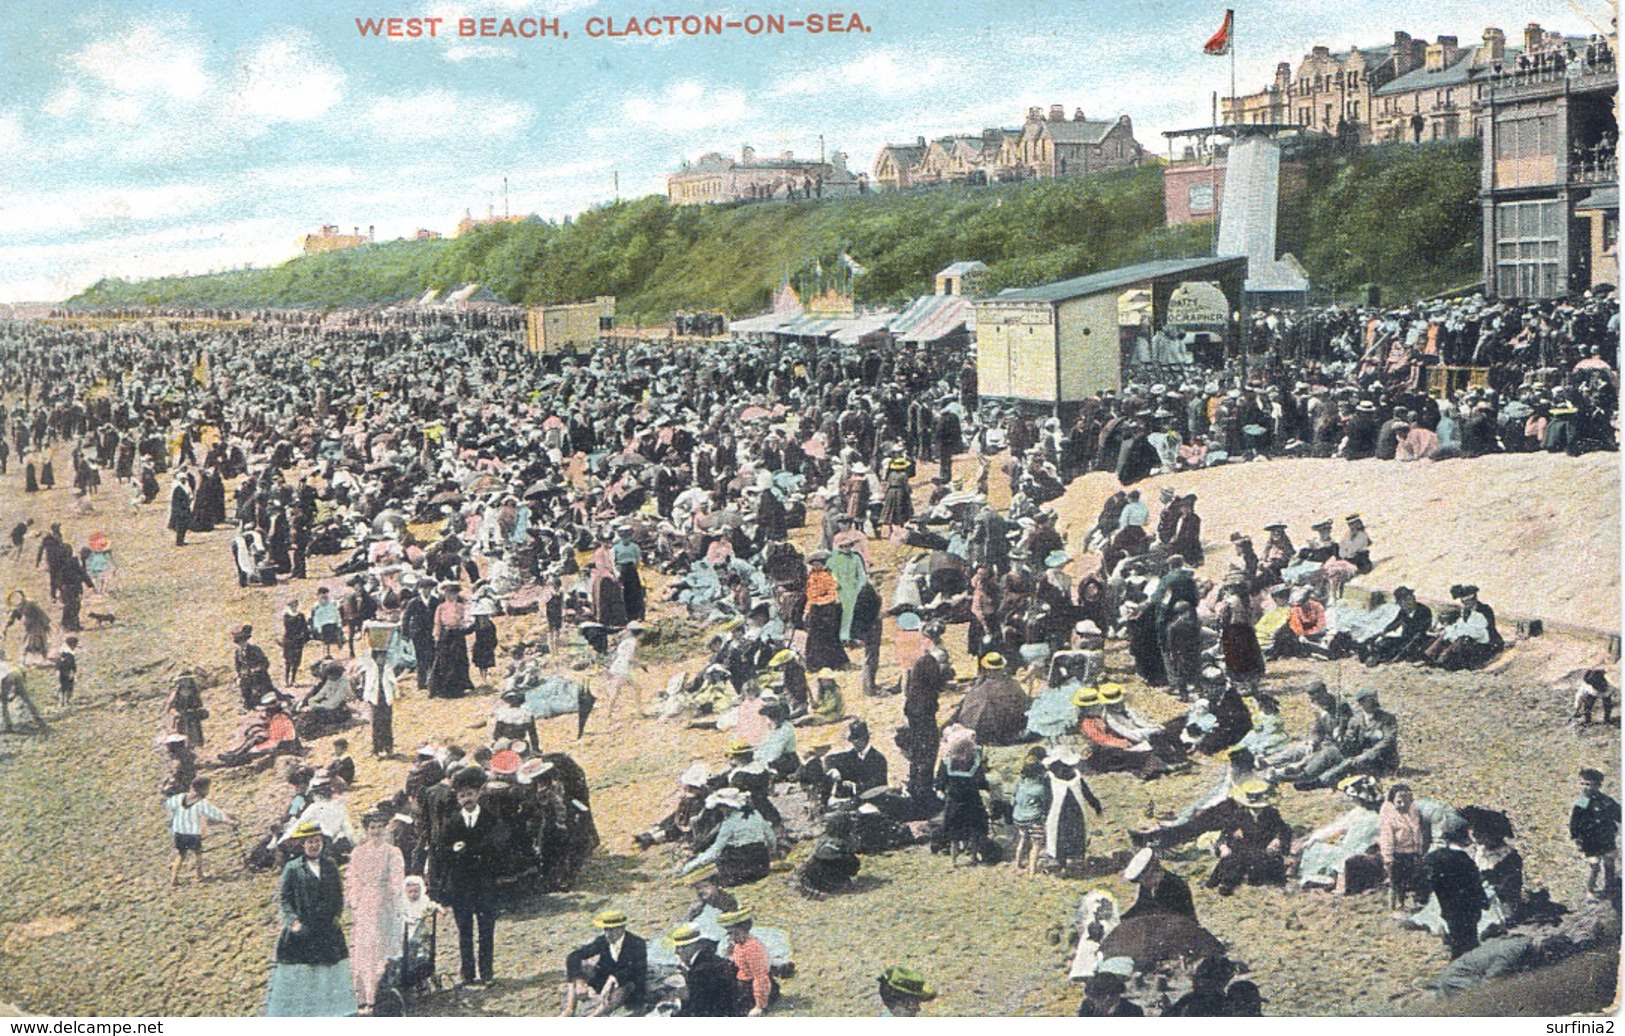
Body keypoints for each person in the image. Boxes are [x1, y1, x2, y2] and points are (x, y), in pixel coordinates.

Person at [265, 820, 358, 1016]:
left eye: (317, 841)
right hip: (303, 928)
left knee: (328, 969)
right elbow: (284, 899)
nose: (314, 845)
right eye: (309, 842)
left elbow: (338, 895)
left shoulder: (330, 866)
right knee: (304, 970)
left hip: (326, 927)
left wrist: (336, 916)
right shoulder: (292, 868)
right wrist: (293, 921)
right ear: (302, 845)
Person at [435, 766, 501, 987]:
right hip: (460, 886)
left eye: (470, 794)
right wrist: (455, 851)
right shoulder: (451, 823)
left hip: (484, 884)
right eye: (462, 795)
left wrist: (466, 849)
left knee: (486, 930)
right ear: (457, 798)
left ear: (478, 794)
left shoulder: (490, 818)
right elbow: (442, 852)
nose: (467, 799)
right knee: (464, 931)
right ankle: (468, 974)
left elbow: (497, 846)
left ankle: (487, 972)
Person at [344, 809, 405, 1015]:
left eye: (380, 827)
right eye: (372, 827)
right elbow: (352, 878)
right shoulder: (359, 852)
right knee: (363, 948)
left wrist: (390, 896)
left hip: (384, 904)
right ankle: (362, 997)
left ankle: (378, 995)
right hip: (364, 905)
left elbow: (397, 879)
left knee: (380, 948)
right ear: (367, 830)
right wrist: (355, 899)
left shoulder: (392, 852)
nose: (376, 831)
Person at [1207, 780, 1291, 895]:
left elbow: (1284, 830)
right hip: (1241, 850)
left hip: (1264, 849)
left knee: (1270, 865)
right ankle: (1227, 884)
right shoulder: (1238, 814)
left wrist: (1278, 840)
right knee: (1231, 863)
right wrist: (1223, 847)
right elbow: (1225, 834)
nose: (1256, 810)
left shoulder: (1271, 813)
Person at [562, 909, 649, 1016]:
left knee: (627, 986)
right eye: (606, 929)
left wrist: (614, 978)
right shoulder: (603, 941)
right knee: (578, 970)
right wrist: (580, 982)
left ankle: (594, 1016)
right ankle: (569, 1009)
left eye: (612, 930)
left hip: (628, 987)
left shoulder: (637, 943)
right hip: (603, 983)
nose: (608, 934)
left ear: (622, 928)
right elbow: (574, 956)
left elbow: (636, 969)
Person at [1424, 819, 1488, 958]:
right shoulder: (1464, 859)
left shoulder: (1432, 858)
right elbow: (1475, 884)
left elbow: (1426, 883)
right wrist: (1484, 902)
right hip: (1468, 908)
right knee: (1470, 939)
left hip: (1446, 907)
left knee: (1455, 938)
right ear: (1464, 838)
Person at [163, 776, 237, 885]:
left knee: (181, 855)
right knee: (198, 853)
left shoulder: (179, 798)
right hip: (193, 833)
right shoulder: (201, 803)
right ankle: (199, 875)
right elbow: (214, 813)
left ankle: (174, 878)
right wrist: (228, 821)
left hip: (179, 832)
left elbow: (168, 805)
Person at [1570, 768, 1620, 900]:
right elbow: (1575, 821)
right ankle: (1590, 891)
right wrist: (1576, 838)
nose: (1586, 787)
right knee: (1594, 865)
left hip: (1606, 838)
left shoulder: (1606, 801)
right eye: (1583, 784)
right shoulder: (1583, 801)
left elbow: (1619, 814)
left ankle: (1610, 888)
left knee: (1609, 862)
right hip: (1590, 840)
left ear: (1598, 785)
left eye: (1589, 784)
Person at [668, 923, 738, 1017]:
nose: (676, 952)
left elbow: (699, 1006)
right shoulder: (710, 958)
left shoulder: (701, 970)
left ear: (692, 946)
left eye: (680, 947)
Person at [1379, 782, 1429, 911]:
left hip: (1411, 852)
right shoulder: (1390, 818)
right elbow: (1387, 839)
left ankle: (1409, 902)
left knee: (1411, 878)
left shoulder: (1413, 815)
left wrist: (1418, 851)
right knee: (1396, 881)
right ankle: (1396, 905)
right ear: (1393, 801)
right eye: (1399, 801)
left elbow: (1418, 834)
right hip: (1397, 854)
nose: (1403, 805)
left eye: (1407, 801)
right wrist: (1388, 857)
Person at [720, 907, 777, 1016]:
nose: (730, 936)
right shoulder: (739, 945)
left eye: (732, 933)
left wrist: (759, 1005)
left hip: (753, 990)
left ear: (743, 929)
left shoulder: (753, 948)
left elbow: (760, 977)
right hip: (742, 985)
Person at [1120, 847, 1197, 920]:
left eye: (1145, 880)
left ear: (1154, 871)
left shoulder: (1174, 885)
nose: (1143, 884)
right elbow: (1141, 906)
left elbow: (1170, 915)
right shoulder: (1147, 887)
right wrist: (1123, 918)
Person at [1076, 972, 1144, 1017]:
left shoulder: (1133, 1011)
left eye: (1099, 997)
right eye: (1094, 997)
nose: (1095, 1001)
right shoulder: (1087, 1008)